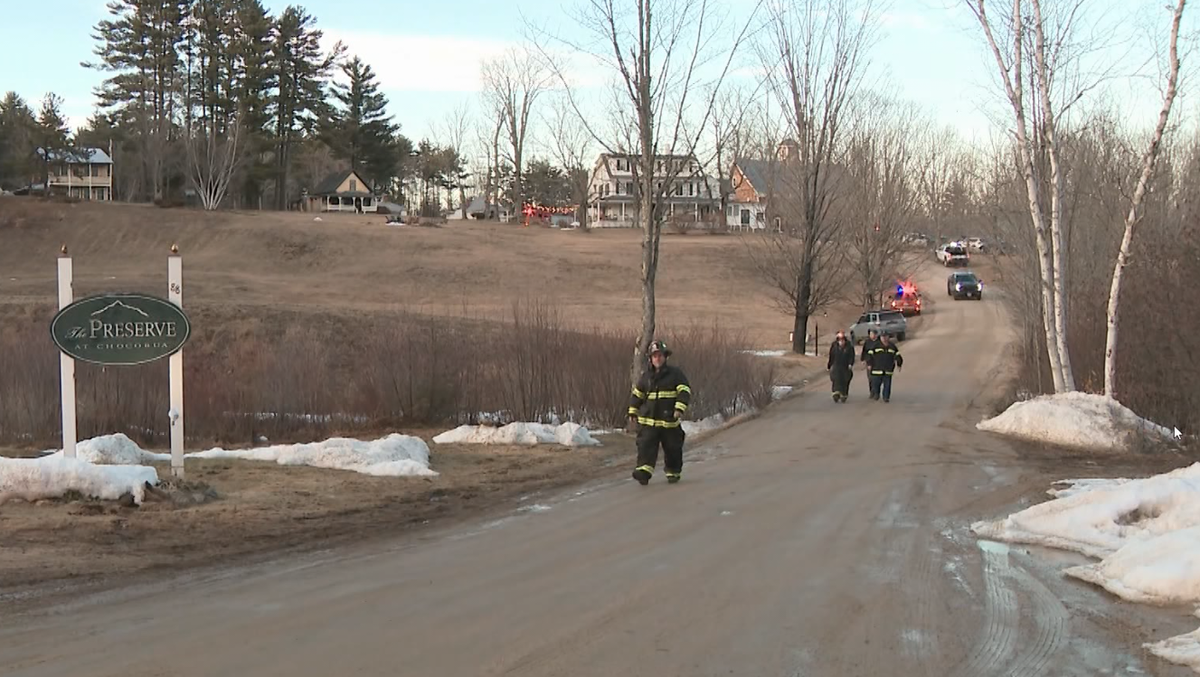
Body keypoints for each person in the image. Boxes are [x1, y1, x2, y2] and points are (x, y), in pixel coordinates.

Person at [627, 339, 692, 485]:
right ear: (650, 358)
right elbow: (637, 395)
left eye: (660, 355)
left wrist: (679, 408)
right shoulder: (646, 377)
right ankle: (643, 472)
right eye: (655, 356)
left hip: (669, 422)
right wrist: (632, 411)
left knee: (673, 448)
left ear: (665, 357)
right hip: (649, 422)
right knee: (645, 445)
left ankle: (673, 472)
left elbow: (684, 391)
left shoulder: (675, 374)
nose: (658, 358)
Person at [867, 333, 904, 403]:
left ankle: (886, 397)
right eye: (882, 337)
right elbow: (869, 355)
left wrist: (899, 364)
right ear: (880, 338)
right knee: (875, 384)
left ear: (888, 337)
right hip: (876, 370)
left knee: (887, 385)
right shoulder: (875, 346)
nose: (884, 338)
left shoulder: (892, 346)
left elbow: (897, 355)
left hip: (888, 369)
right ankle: (876, 394)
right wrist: (869, 364)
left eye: (885, 336)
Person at [827, 330, 855, 403]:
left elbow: (851, 356)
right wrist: (829, 365)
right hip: (836, 365)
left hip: (845, 366)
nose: (841, 342)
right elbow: (831, 356)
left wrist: (850, 364)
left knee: (845, 380)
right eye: (839, 340)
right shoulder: (834, 346)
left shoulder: (849, 346)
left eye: (842, 340)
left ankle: (843, 394)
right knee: (836, 379)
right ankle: (836, 393)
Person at [860, 328, 880, 396]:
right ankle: (872, 391)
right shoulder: (867, 342)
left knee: (877, 378)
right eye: (871, 334)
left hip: (878, 362)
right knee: (870, 378)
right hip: (869, 363)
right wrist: (862, 359)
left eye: (873, 334)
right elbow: (864, 351)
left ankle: (876, 391)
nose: (872, 335)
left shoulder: (879, 342)